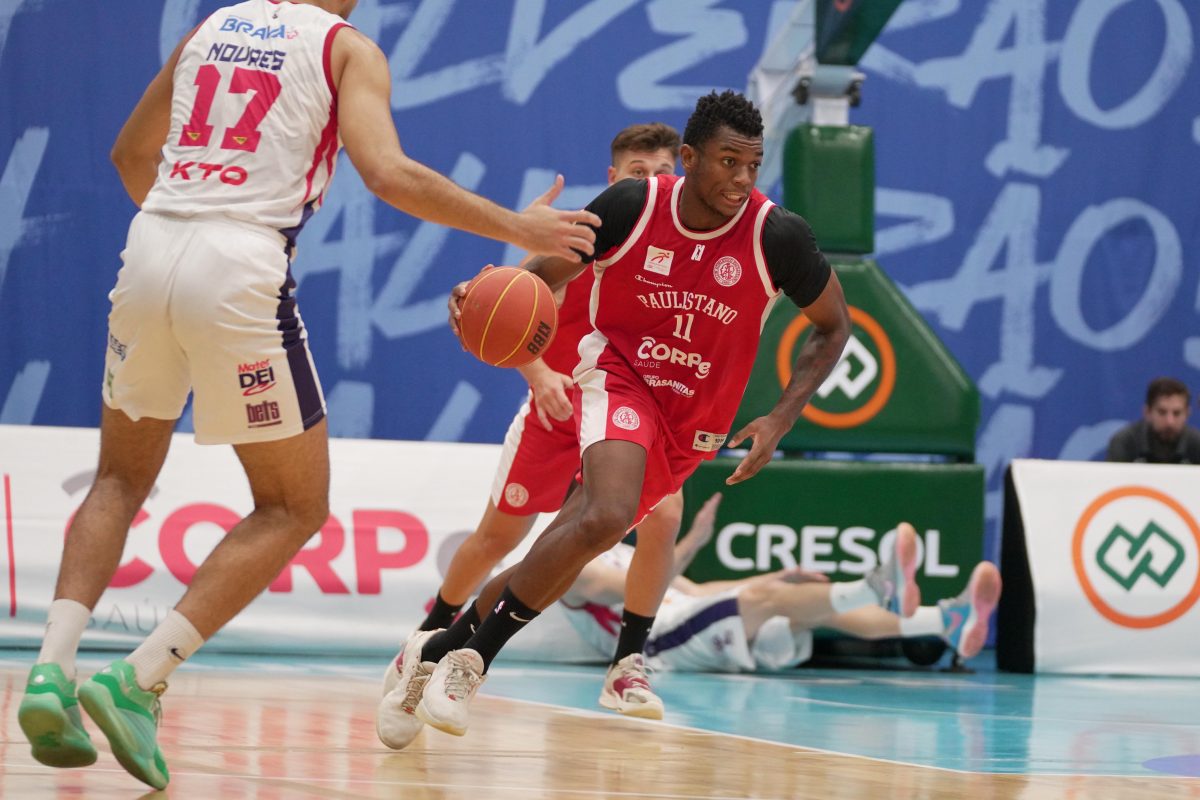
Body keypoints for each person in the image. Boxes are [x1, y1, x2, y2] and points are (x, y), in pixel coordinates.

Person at [17, 0, 600, 790]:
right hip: (239, 262)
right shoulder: (346, 48)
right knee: (293, 507)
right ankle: (139, 677)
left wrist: (187, 228)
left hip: (153, 242)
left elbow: (129, 155)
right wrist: (517, 228)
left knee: (118, 477)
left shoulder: (211, 27)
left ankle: (50, 670)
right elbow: (389, 174)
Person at [387, 89, 854, 742]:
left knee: (573, 539)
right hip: (619, 376)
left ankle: (434, 649)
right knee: (605, 517)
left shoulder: (777, 236)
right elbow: (543, 278)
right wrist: (487, 295)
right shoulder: (632, 206)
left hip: (694, 421)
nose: (742, 179)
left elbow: (834, 327)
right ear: (688, 159)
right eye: (728, 162)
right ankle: (473, 662)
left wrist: (780, 418)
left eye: (753, 165)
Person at [378, 124, 684, 749]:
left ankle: (628, 661)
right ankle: (430, 636)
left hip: (622, 415)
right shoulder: (591, 233)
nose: (651, 182)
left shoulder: (684, 248)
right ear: (614, 179)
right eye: (638, 172)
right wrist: (540, 374)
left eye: (662, 171)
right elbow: (508, 306)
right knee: (497, 539)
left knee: (661, 515)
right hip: (558, 408)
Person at [513, 493, 1002, 673]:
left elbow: (695, 592)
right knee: (767, 600)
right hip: (662, 643)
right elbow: (642, 589)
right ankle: (875, 587)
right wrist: (692, 541)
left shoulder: (624, 550)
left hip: (689, 617)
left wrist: (774, 574)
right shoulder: (572, 568)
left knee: (811, 604)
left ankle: (945, 622)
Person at [1106, 377, 1200, 464]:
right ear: (1147, 412)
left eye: (1177, 413)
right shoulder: (1125, 442)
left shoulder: (1197, 444)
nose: (1169, 422)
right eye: (1162, 412)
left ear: (1187, 413)